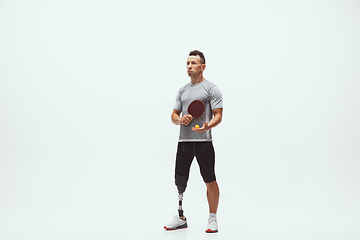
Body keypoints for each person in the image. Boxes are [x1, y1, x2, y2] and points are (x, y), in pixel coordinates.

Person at [164, 50, 223, 233]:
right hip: (184, 142)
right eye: (187, 63)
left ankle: (212, 219)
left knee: (210, 180)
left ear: (202, 67)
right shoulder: (182, 90)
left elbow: (218, 116)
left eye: (193, 63)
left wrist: (207, 126)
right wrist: (180, 119)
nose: (189, 66)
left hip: (204, 142)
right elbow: (173, 115)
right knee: (180, 180)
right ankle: (181, 217)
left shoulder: (211, 89)